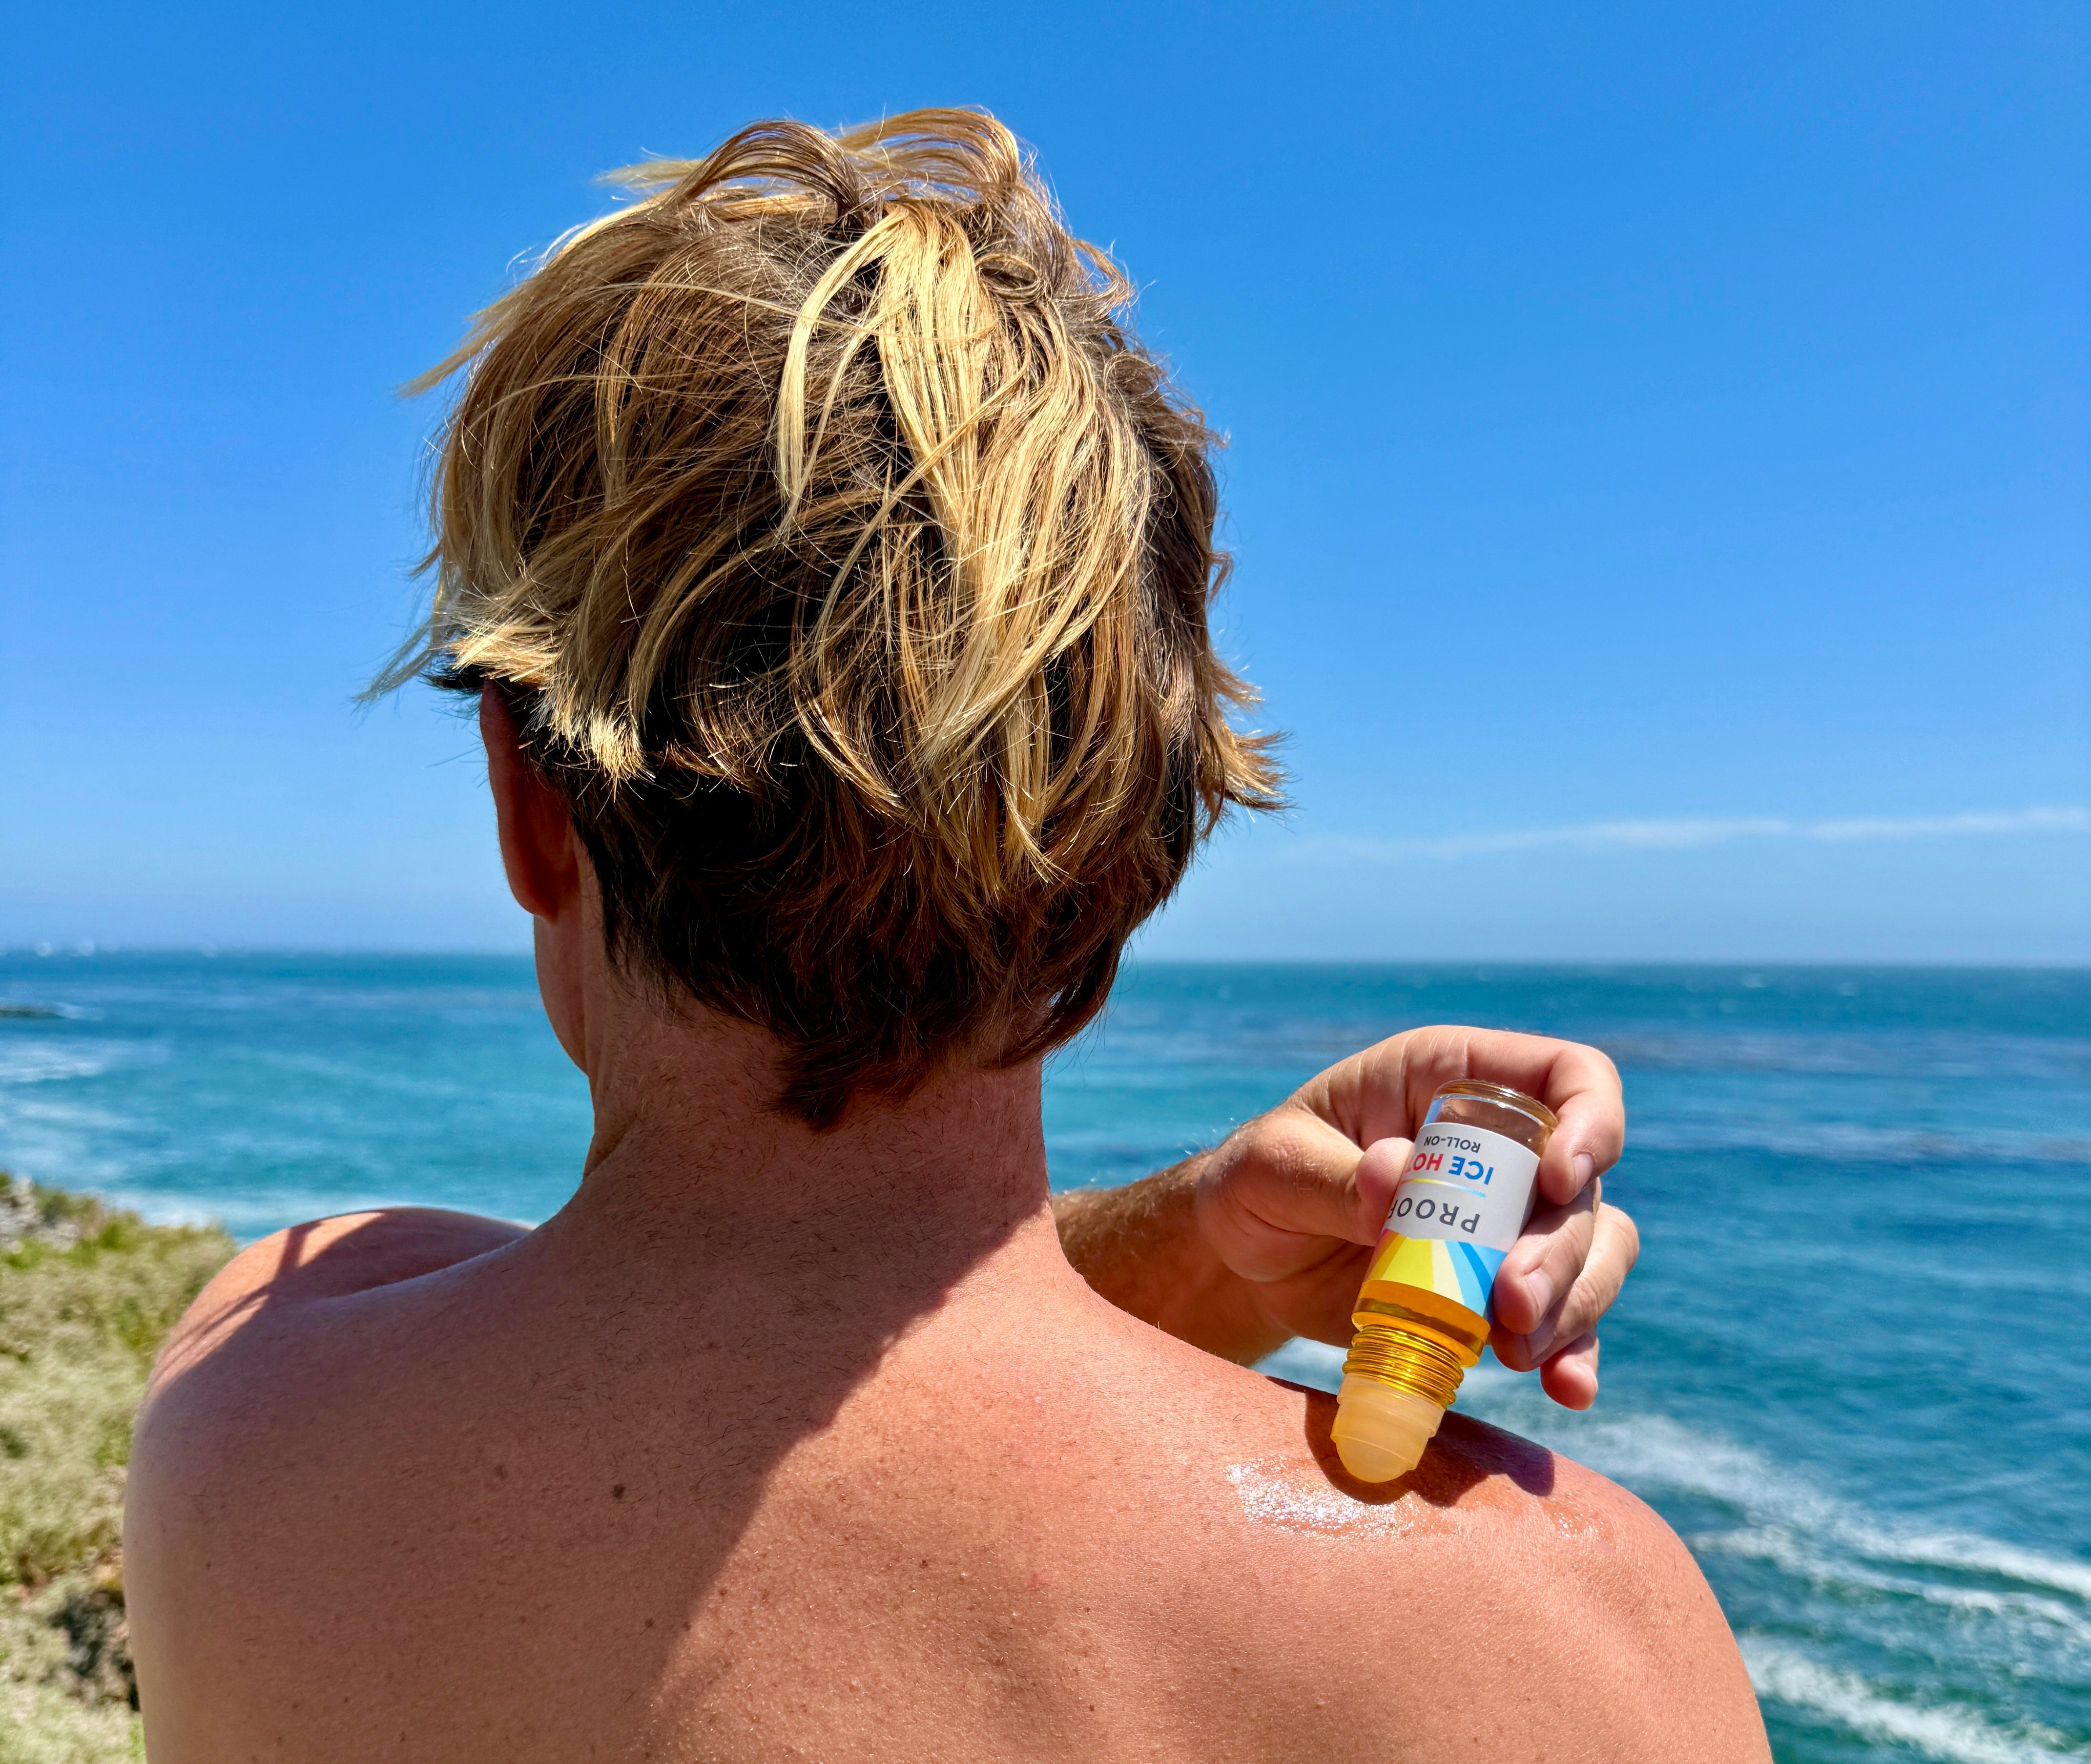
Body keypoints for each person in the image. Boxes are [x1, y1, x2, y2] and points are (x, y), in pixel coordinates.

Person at [124, 109, 1768, 1762]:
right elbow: (884, 1352)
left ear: (530, 807)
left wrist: (1192, 1240)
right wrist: (1191, 1254)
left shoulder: (252, 1402)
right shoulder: (1559, 1648)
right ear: (1141, 835)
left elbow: (788, 1335)